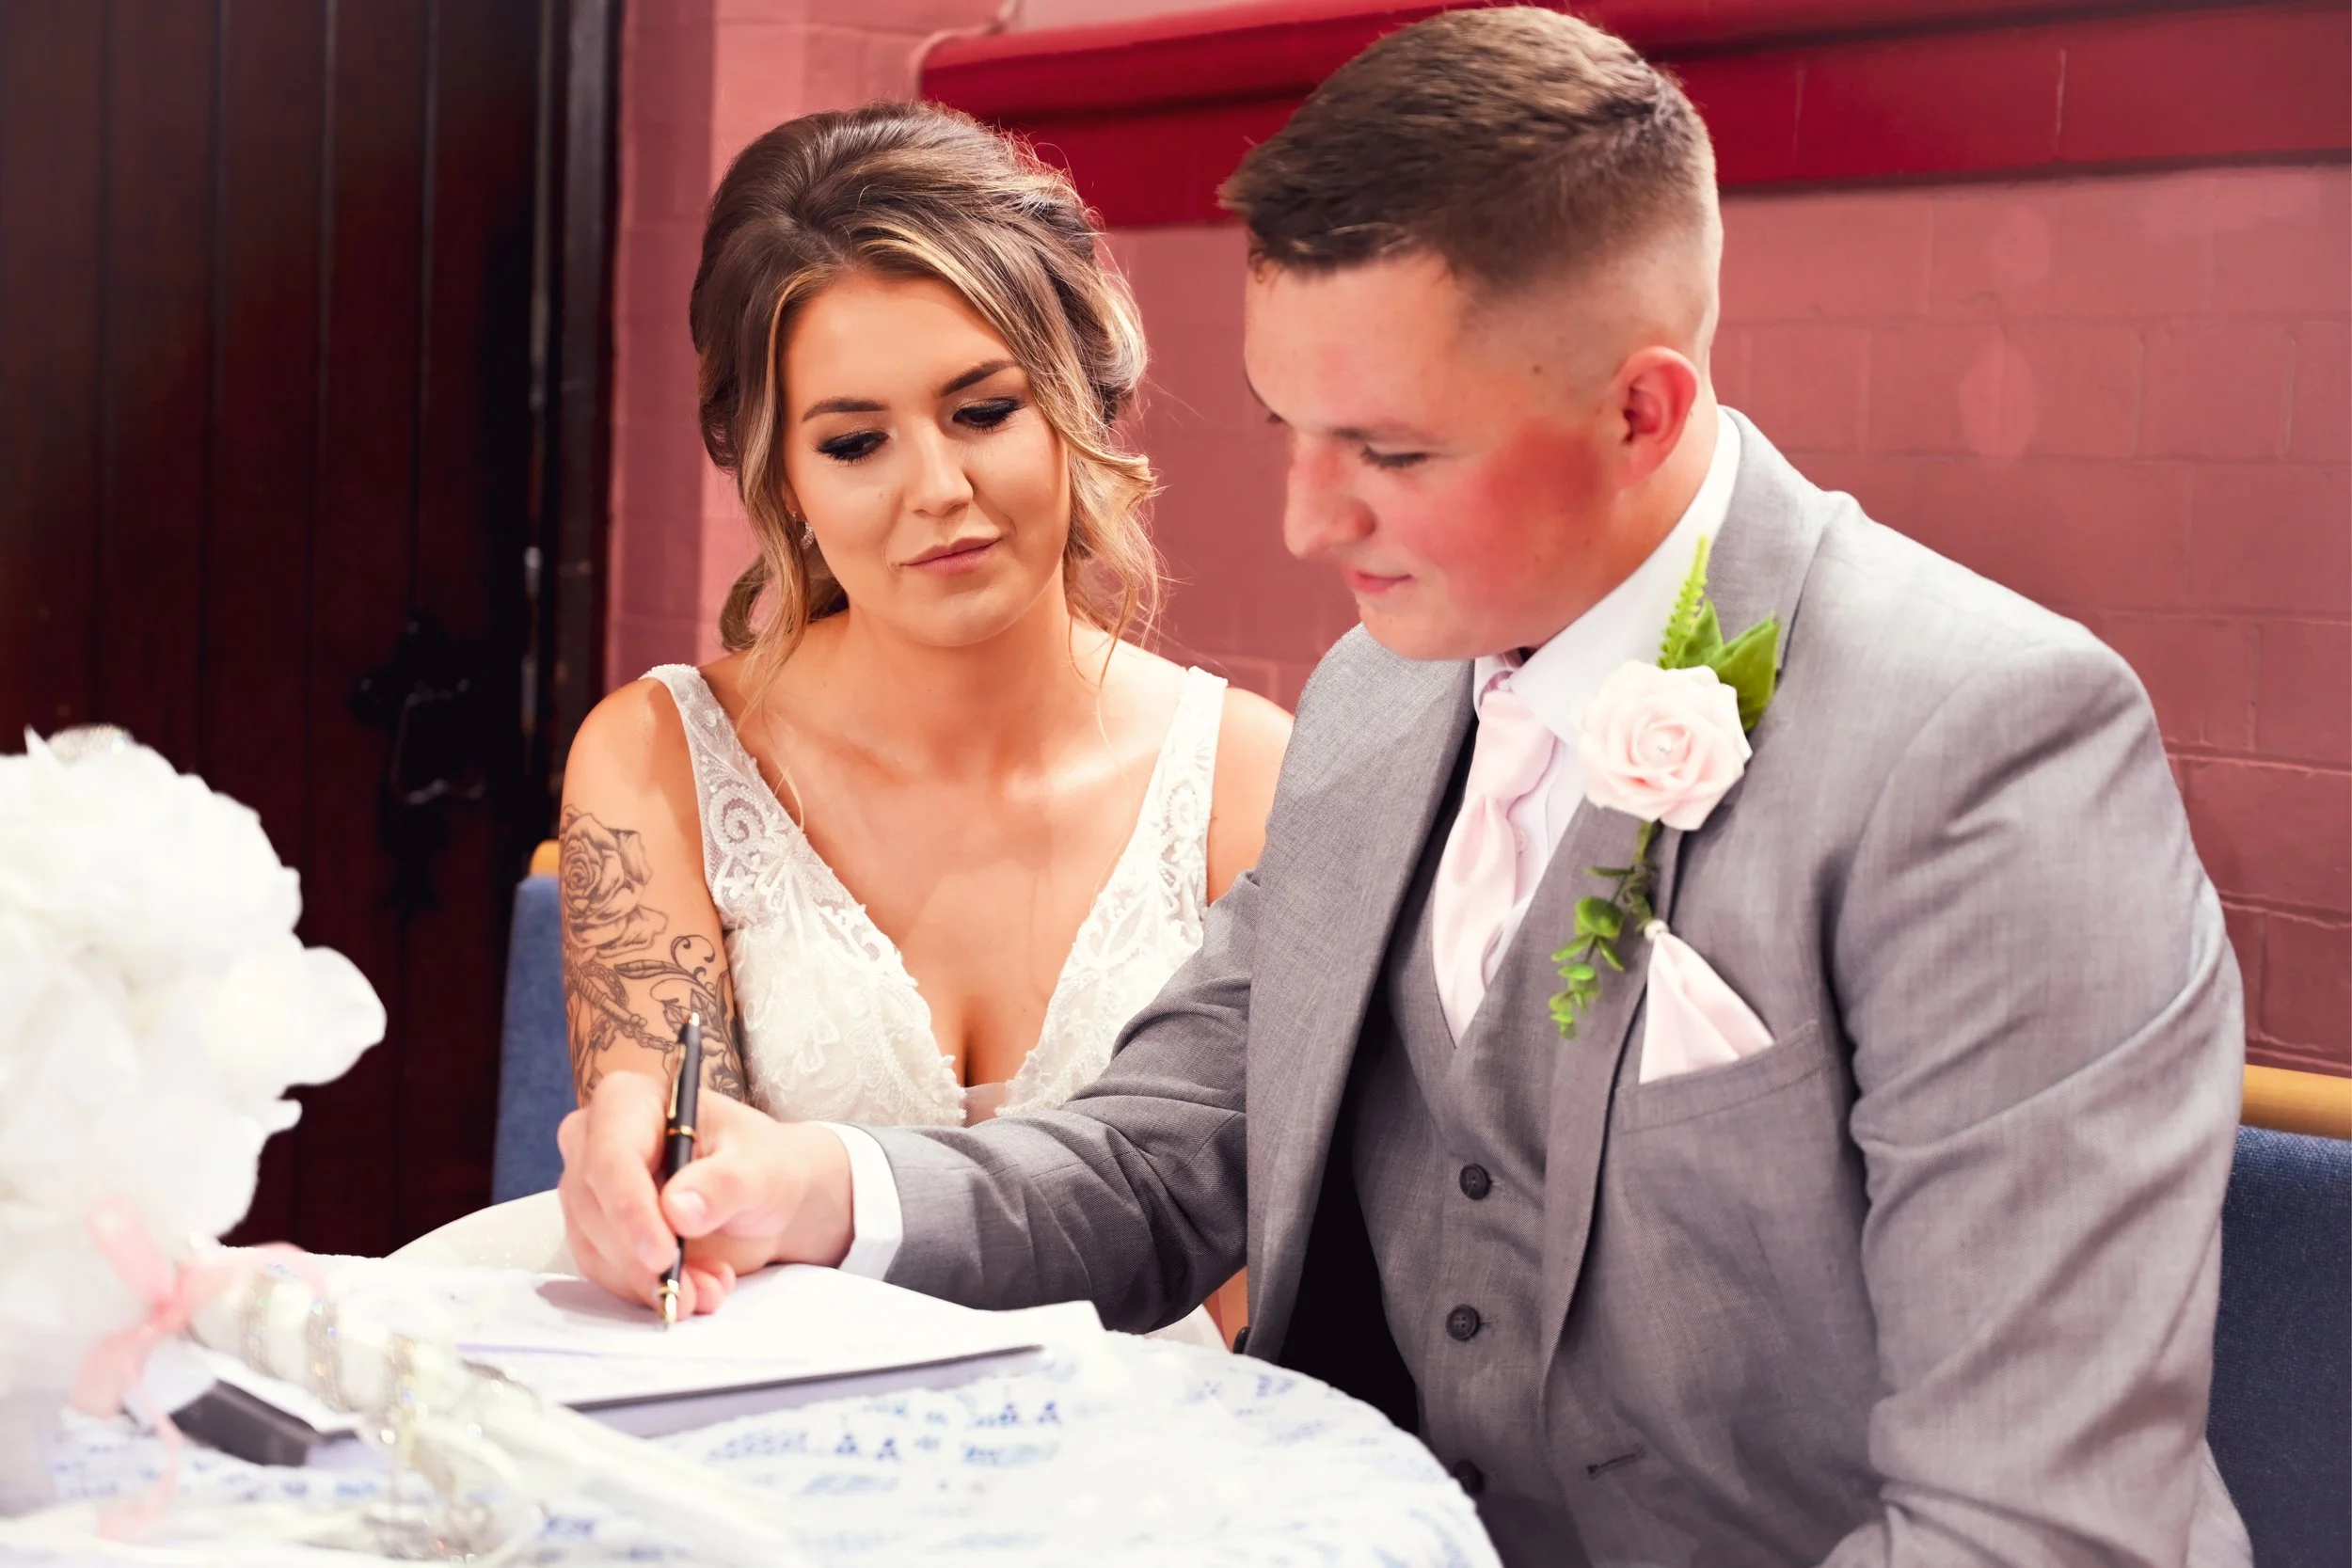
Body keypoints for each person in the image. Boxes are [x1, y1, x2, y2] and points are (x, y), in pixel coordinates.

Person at [558, 11, 2252, 1563]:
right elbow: (1161, 1162)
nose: (1309, 521)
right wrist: (817, 1189)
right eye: (1289, 430)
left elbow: (2027, 1528)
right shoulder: (1381, 700)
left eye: (1390, 451)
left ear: (1641, 411)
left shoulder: (1990, 751)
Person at [554, 103, 1288, 1334]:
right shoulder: (657, 757)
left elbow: (1267, 1273)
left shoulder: (1249, 775)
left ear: (1076, 401)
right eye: (856, 442)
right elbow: (674, 1207)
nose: (939, 490)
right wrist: (626, 1201)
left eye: (984, 412)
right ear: (780, 475)